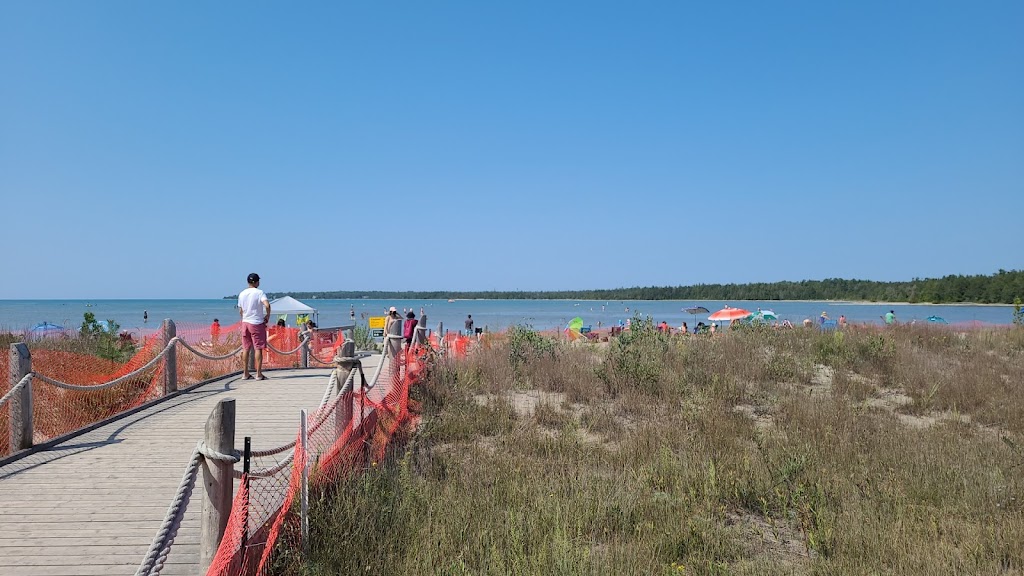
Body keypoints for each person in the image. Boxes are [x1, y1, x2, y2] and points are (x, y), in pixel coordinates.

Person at [238, 273, 270, 380]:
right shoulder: (260, 293)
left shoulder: (242, 293)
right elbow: (267, 305)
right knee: (258, 348)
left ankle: (245, 373)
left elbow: (241, 310)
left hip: (245, 322)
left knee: (246, 348)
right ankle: (259, 374)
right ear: (257, 282)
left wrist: (244, 317)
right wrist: (267, 316)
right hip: (256, 322)